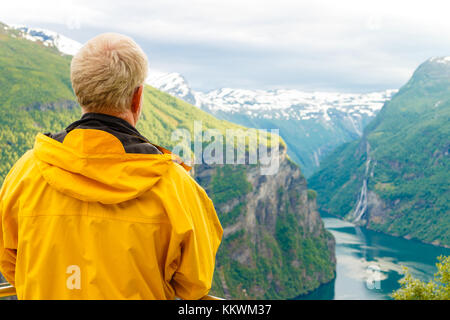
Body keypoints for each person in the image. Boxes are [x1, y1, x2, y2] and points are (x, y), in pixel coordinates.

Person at [0, 33, 223, 300]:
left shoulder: (25, 173)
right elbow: (194, 285)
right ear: (137, 97)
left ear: (79, 91)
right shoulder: (174, 187)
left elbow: (11, 265)